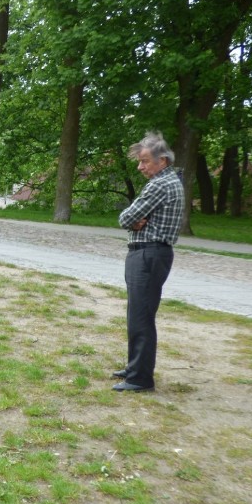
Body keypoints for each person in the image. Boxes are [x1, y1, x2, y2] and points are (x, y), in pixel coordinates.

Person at [113, 131, 184, 392]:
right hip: (151, 252)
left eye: (144, 161)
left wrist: (133, 220)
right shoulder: (167, 181)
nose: (140, 166)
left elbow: (125, 218)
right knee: (138, 313)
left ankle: (140, 379)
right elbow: (132, 218)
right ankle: (135, 368)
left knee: (140, 316)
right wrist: (135, 220)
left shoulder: (160, 185)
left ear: (162, 160)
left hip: (148, 253)